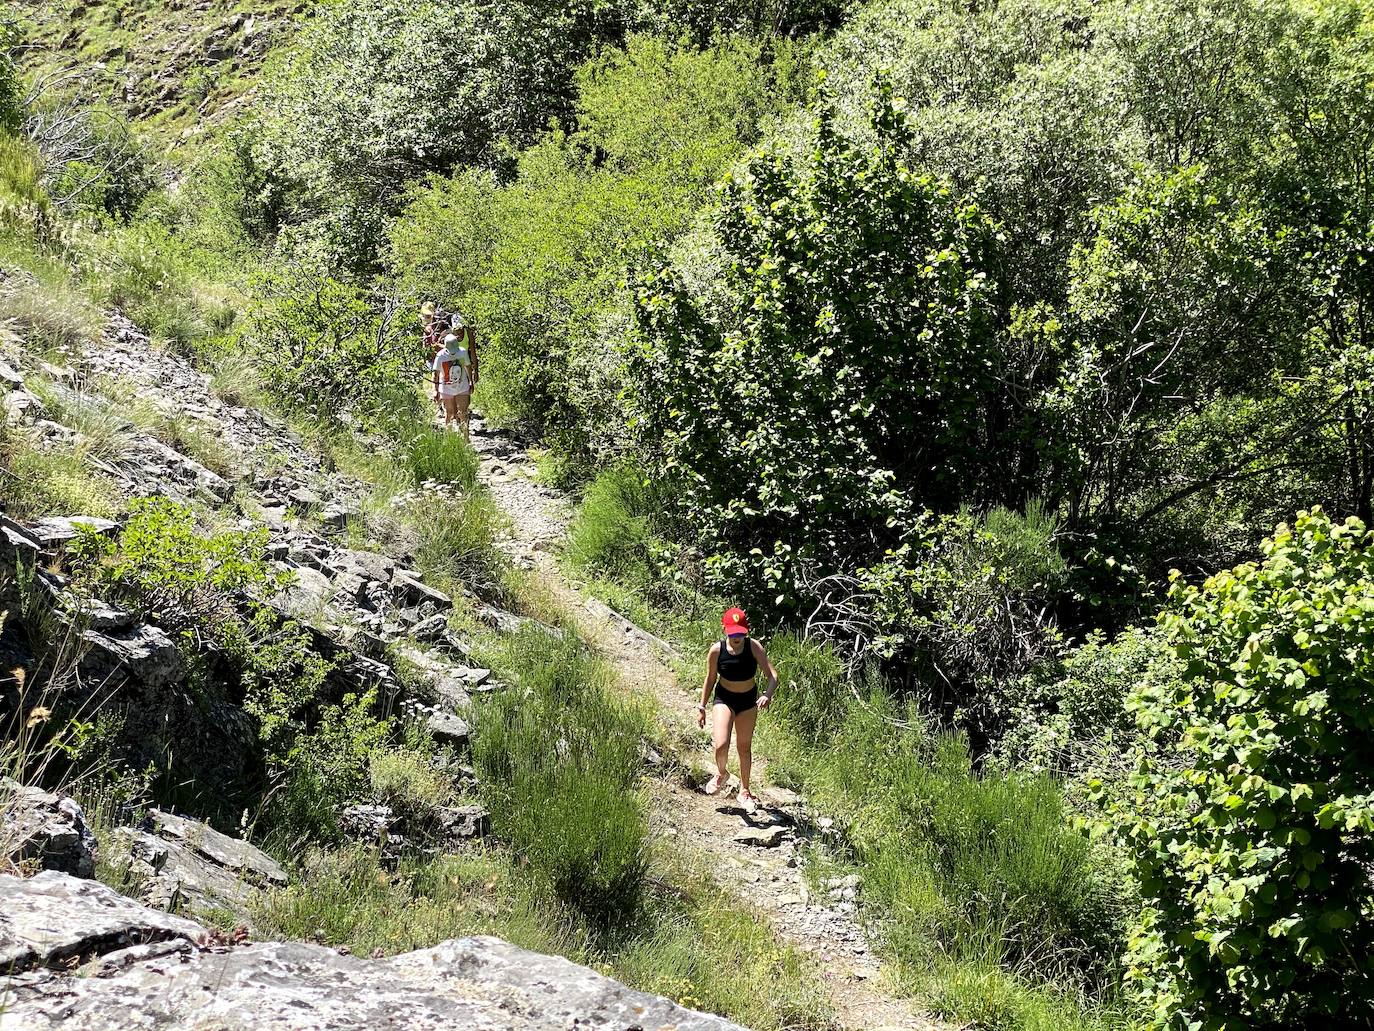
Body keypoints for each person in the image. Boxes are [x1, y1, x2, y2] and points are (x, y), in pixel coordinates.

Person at [697, 606, 778, 809]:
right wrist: (702, 706)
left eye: (741, 633)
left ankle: (744, 790)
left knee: (744, 747)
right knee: (721, 744)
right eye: (733, 632)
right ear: (725, 629)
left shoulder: (754, 647)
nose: (737, 637)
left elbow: (773, 676)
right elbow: (710, 678)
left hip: (748, 701)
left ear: (746, 631)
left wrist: (767, 695)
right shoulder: (717, 650)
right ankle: (722, 773)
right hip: (724, 698)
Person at [432, 325, 474, 439]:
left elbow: (468, 367)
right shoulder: (440, 356)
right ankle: (449, 439)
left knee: (463, 413)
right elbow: (435, 374)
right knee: (449, 414)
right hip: (446, 388)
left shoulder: (463, 352)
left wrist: (471, 382)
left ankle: (466, 438)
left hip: (462, 386)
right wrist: (435, 390)